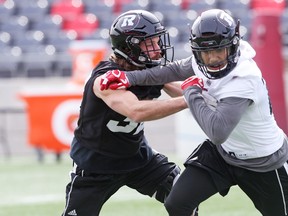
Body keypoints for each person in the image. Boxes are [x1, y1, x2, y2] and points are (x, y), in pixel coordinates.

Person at [100, 9, 288, 216]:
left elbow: (217, 131)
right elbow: (170, 71)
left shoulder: (244, 78)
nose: (213, 59)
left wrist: (192, 92)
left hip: (262, 162)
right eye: (206, 53)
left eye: (219, 51)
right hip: (223, 154)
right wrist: (129, 78)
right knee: (177, 203)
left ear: (232, 46)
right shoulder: (204, 58)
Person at [61, 10, 188, 216]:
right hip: (96, 164)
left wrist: (212, 94)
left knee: (184, 194)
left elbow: (182, 87)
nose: (158, 50)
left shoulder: (146, 66)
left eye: (157, 42)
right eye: (150, 43)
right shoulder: (106, 79)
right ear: (130, 45)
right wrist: (189, 101)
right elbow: (136, 111)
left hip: (137, 158)